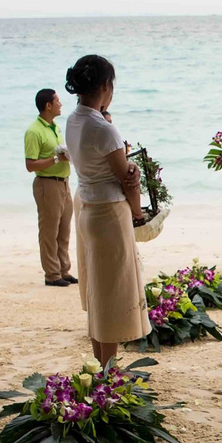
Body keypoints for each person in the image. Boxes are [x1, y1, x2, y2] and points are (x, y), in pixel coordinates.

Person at [64, 55, 149, 364]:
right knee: (112, 294)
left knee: (97, 292)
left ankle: (103, 367)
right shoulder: (103, 129)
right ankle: (108, 374)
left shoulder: (73, 120)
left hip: (86, 205)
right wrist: (138, 214)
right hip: (109, 213)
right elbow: (126, 180)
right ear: (105, 86)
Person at [26, 88, 77, 287]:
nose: (60, 103)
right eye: (57, 100)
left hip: (64, 183)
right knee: (49, 231)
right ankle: (52, 274)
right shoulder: (34, 131)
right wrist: (57, 158)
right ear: (48, 105)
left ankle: (64, 270)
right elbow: (30, 165)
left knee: (64, 230)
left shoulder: (54, 127)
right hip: (47, 184)